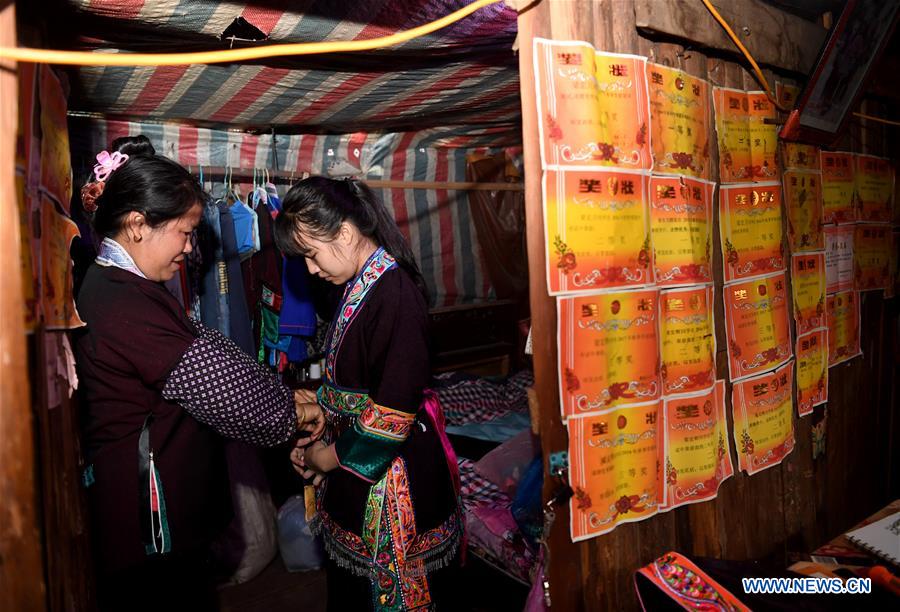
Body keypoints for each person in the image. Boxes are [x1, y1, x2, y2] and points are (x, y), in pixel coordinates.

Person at [73, 135, 324, 611]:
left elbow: (206, 350)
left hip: (156, 507)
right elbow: (218, 387)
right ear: (138, 225)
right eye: (185, 232)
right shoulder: (120, 299)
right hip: (150, 520)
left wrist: (287, 397)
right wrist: (291, 412)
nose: (191, 249)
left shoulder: (124, 286)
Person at [274, 177, 463, 611]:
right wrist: (319, 426)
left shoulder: (394, 293)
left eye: (311, 254)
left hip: (393, 484)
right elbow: (351, 386)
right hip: (356, 467)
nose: (310, 269)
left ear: (343, 233)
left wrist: (326, 457)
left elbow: (391, 413)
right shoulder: (357, 287)